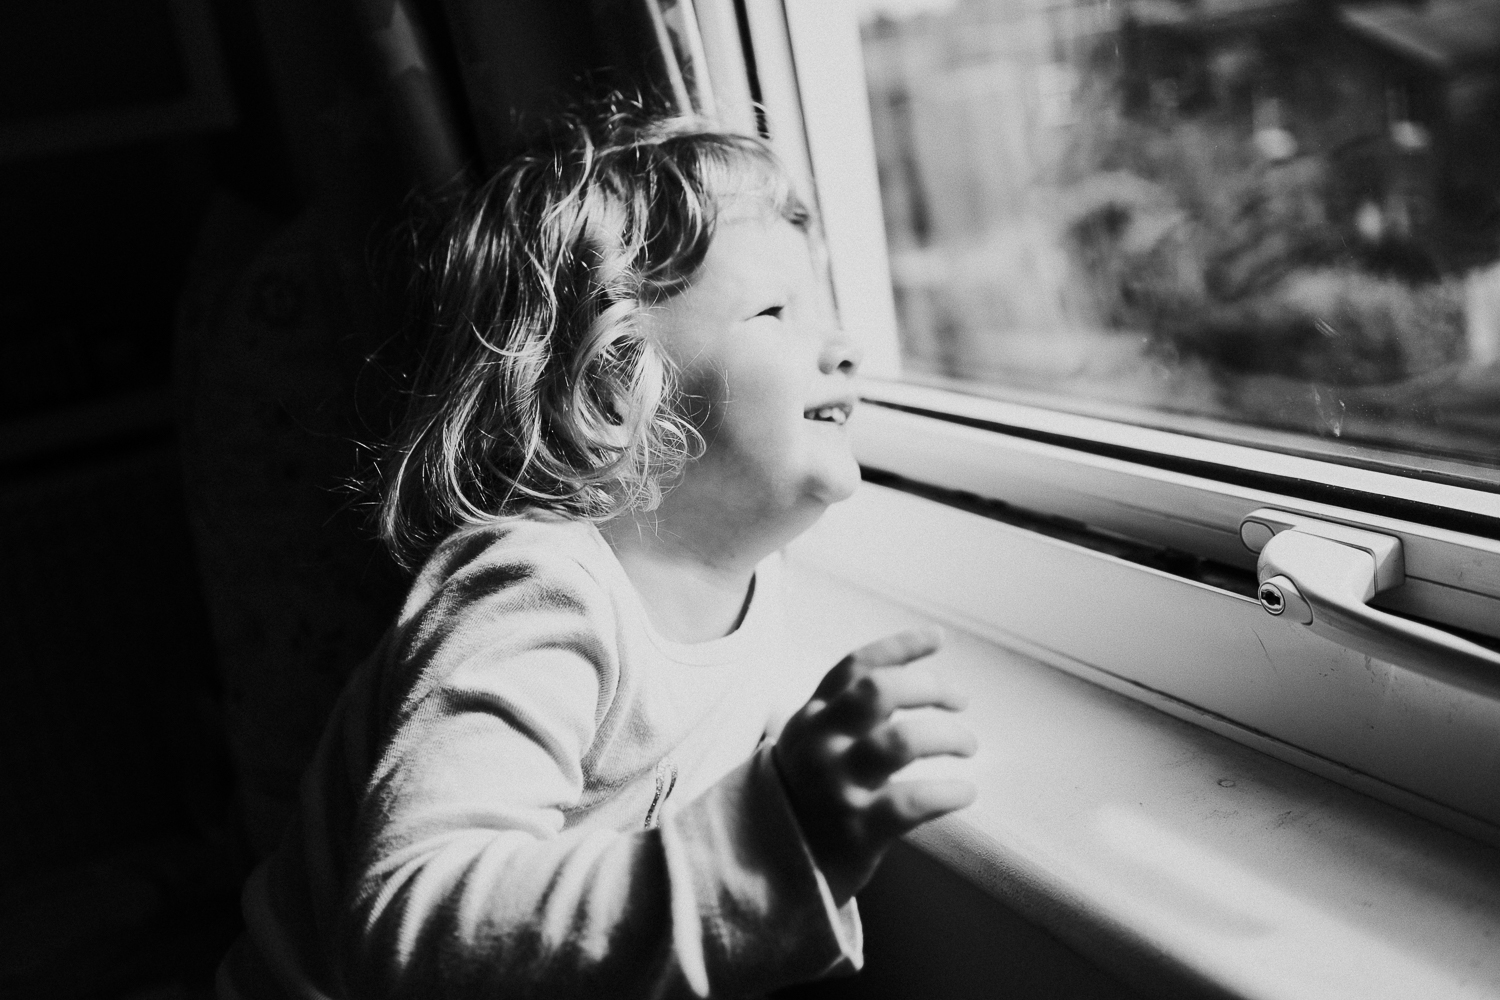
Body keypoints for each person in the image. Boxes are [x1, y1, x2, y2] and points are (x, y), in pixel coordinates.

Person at [217, 108, 977, 1000]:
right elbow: (410, 926)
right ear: (616, 384)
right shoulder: (534, 589)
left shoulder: (750, 582)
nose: (845, 348)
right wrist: (771, 844)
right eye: (776, 311)